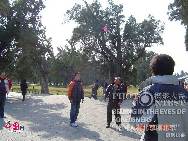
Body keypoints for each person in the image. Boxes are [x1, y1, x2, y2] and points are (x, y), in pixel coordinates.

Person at [131, 54, 188, 141]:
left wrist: (135, 104)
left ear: (153, 70)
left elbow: (137, 123)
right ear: (172, 70)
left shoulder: (149, 92)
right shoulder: (184, 93)